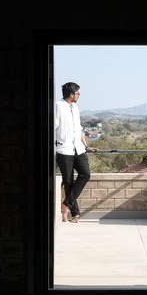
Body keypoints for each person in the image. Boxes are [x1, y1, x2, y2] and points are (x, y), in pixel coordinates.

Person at [54, 82, 97, 223]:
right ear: (71, 94)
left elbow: (79, 129)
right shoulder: (58, 106)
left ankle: (66, 205)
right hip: (64, 149)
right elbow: (52, 127)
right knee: (68, 181)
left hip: (78, 148)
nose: (79, 95)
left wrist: (86, 146)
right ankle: (74, 213)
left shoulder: (76, 108)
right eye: (77, 93)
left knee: (85, 174)